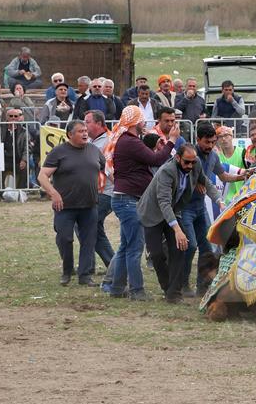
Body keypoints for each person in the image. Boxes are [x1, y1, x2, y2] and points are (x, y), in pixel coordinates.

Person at [103, 105, 179, 301]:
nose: (145, 123)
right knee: (134, 248)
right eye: (142, 119)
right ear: (136, 121)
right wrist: (171, 141)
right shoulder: (129, 142)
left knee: (126, 246)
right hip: (128, 200)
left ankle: (116, 288)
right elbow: (156, 159)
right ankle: (137, 291)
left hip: (125, 198)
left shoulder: (127, 140)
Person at [137, 144, 214, 304]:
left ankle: (174, 293)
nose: (190, 166)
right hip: (153, 213)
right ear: (178, 158)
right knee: (156, 254)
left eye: (193, 162)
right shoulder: (166, 171)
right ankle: (167, 287)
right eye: (187, 162)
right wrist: (178, 230)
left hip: (173, 210)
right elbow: (164, 202)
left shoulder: (195, 163)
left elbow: (205, 182)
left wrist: (219, 201)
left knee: (180, 248)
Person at [182, 123, 250, 296]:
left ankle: (202, 287)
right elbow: (179, 174)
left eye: (213, 142)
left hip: (200, 207)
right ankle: (181, 284)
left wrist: (242, 177)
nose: (211, 146)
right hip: (184, 207)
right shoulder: (189, 154)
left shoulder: (213, 156)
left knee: (207, 248)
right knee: (190, 246)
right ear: (198, 140)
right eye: (207, 142)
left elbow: (223, 176)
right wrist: (195, 180)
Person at [37, 120, 104, 286]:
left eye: (86, 131)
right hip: (64, 206)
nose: (85, 134)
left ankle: (85, 275)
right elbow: (42, 176)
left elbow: (106, 170)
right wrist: (53, 193)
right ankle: (67, 271)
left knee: (88, 241)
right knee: (65, 239)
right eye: (80, 131)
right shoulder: (59, 152)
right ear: (70, 135)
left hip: (89, 205)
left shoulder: (94, 150)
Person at [84, 110, 115, 275]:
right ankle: (110, 264)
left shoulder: (109, 141)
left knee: (90, 224)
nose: (85, 125)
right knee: (92, 226)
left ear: (98, 123)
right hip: (95, 190)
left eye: (87, 121)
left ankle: (97, 265)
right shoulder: (91, 140)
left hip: (107, 191)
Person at [215, 125, 248, 202]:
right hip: (225, 199)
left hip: (243, 196)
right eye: (220, 137)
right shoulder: (217, 157)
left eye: (226, 135)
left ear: (232, 137)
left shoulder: (243, 152)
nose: (223, 139)